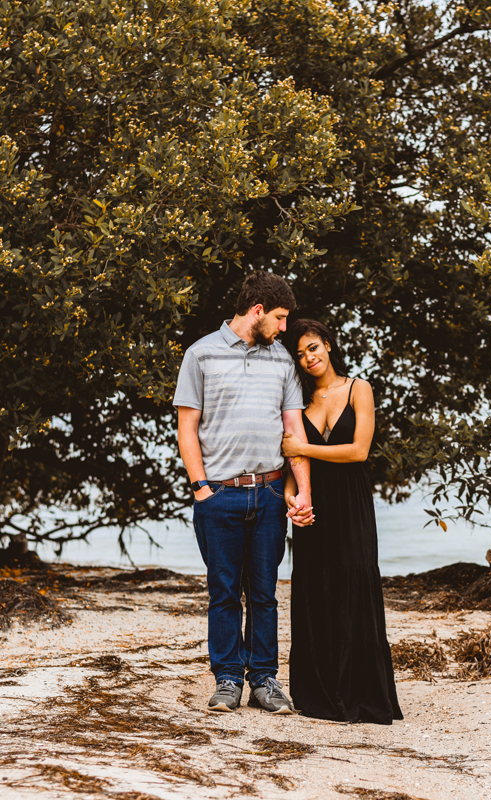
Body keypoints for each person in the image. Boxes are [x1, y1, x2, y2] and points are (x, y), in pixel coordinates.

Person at [173, 273, 314, 715]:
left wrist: (302, 492)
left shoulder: (283, 362)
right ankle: (228, 680)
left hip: (270, 493)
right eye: (280, 318)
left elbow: (294, 431)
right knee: (224, 592)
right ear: (257, 311)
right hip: (220, 496)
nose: (284, 328)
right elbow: (187, 427)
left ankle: (265, 680)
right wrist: (200, 489)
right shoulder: (200, 355)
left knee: (265, 593)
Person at [280, 319, 403, 724]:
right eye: (299, 354)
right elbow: (289, 465)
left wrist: (303, 447)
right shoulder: (298, 400)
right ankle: (318, 694)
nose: (308, 358)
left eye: (313, 348)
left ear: (328, 345)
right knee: (315, 588)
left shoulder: (358, 388)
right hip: (314, 504)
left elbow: (359, 451)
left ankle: (363, 693)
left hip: (350, 502)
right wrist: (291, 498)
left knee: (354, 582)